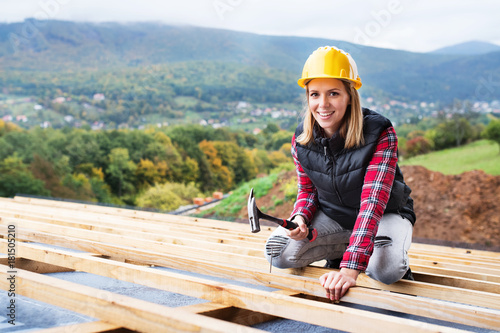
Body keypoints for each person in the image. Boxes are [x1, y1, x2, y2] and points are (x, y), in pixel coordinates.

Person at [264, 46, 416, 303]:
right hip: (334, 215)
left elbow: (371, 205)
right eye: (315, 94)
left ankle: (364, 253)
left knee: (386, 269)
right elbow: (308, 190)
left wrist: (349, 270)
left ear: (349, 95)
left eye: (333, 93)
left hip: (384, 214)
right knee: (278, 253)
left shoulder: (379, 132)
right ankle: (347, 249)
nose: (322, 104)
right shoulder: (301, 139)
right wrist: (300, 217)